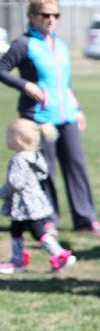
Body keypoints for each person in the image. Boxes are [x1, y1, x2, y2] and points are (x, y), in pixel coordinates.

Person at [0, 0, 100, 234]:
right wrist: (25, 85)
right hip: (39, 117)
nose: (51, 19)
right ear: (33, 17)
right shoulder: (23, 44)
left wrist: (77, 108)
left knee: (77, 166)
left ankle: (86, 219)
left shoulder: (61, 44)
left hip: (67, 115)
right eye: (46, 15)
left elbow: (64, 82)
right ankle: (48, 219)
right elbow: (2, 69)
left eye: (56, 15)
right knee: (44, 170)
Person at [0, 115, 73, 274]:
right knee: (16, 229)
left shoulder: (19, 159)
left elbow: (15, 183)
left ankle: (60, 254)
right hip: (35, 201)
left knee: (37, 232)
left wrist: (2, 192)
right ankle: (17, 260)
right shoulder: (34, 155)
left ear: (18, 140)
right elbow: (42, 174)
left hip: (25, 204)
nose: (5, 139)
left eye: (8, 135)